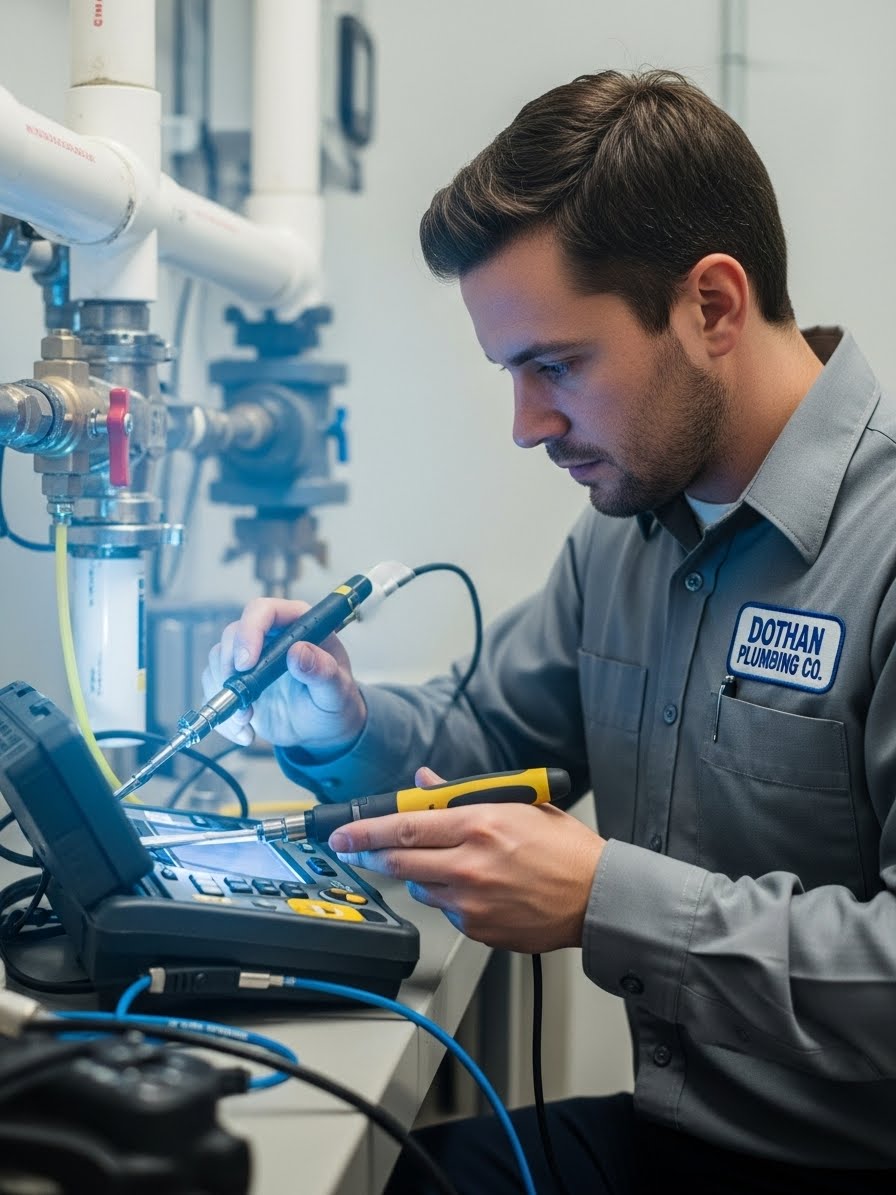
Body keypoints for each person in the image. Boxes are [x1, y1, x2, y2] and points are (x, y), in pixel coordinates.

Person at [203, 70, 896, 1194]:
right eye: (508, 374)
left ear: (711, 305)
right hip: (675, 1144)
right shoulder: (622, 535)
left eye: (555, 367)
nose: (526, 427)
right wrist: (344, 720)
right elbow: (482, 740)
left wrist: (604, 901)